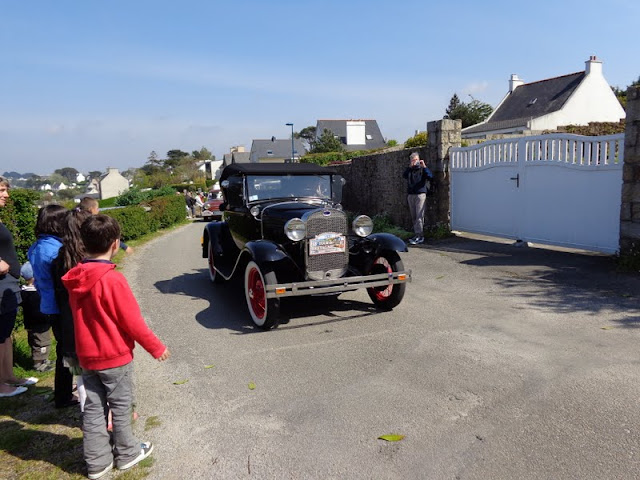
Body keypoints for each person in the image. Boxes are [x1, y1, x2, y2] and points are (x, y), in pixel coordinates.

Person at [62, 214, 170, 479]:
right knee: (121, 406)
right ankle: (127, 453)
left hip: (86, 356)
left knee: (93, 408)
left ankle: (97, 461)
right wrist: (155, 347)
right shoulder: (112, 280)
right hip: (114, 356)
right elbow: (131, 321)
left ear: (82, 243)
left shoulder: (75, 277)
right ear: (115, 243)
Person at [28, 204, 75, 407]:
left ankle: (66, 388)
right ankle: (66, 393)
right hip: (60, 306)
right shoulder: (55, 250)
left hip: (47, 304)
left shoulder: (37, 246)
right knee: (68, 350)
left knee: (64, 349)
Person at [0, 176, 37, 397]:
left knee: (6, 334)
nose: (6, 195)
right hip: (2, 284)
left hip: (8, 286)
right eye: (2, 190)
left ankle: (8, 376)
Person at [20, 262, 53, 372]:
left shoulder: (23, 292)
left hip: (30, 323)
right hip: (40, 324)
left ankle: (43, 360)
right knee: (42, 343)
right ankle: (38, 364)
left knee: (36, 342)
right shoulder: (36, 293)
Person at [402, 152, 433, 245]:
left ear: (419, 160)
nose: (414, 162)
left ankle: (420, 236)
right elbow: (404, 176)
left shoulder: (422, 169)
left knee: (419, 216)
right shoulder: (410, 170)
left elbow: (430, 176)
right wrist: (409, 167)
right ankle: (416, 234)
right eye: (413, 160)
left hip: (420, 194)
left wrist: (424, 167)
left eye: (416, 160)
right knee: (414, 216)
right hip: (411, 195)